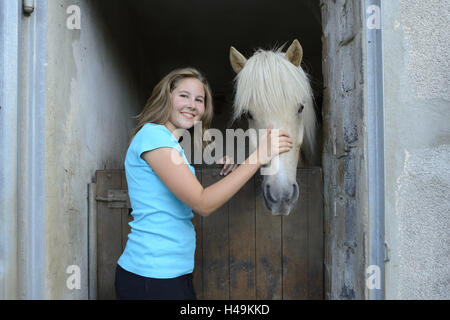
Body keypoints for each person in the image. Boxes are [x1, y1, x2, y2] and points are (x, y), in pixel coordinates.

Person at [114, 67, 293, 300]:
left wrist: (223, 170)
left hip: (171, 274)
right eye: (183, 95)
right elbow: (202, 203)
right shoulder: (153, 136)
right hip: (151, 276)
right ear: (165, 97)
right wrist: (259, 156)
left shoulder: (169, 143)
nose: (192, 104)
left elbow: (178, 188)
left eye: (199, 100)